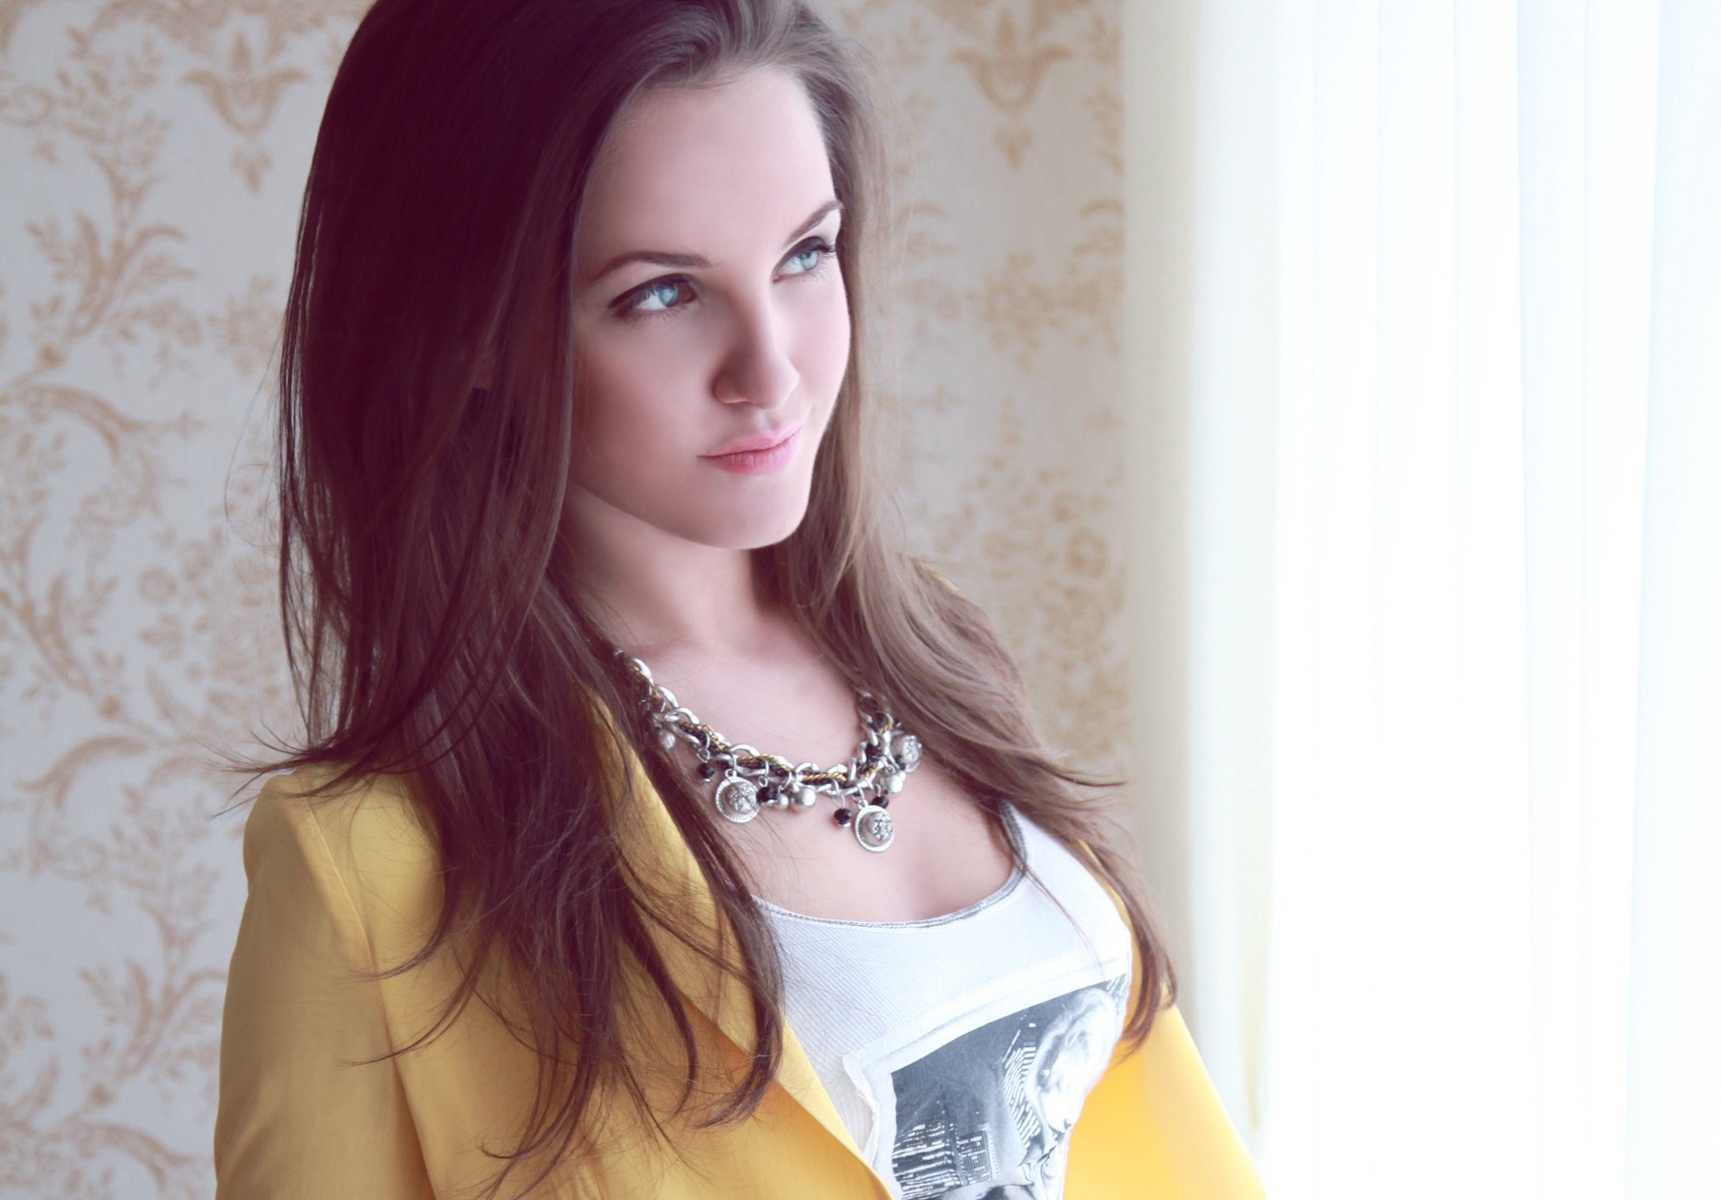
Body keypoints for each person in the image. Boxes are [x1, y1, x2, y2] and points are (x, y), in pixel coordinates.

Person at [213, 0, 1262, 1196]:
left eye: (805, 255)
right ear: (472, 334)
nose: (772, 371)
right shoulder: (373, 867)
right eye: (663, 293)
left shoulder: (938, 659)